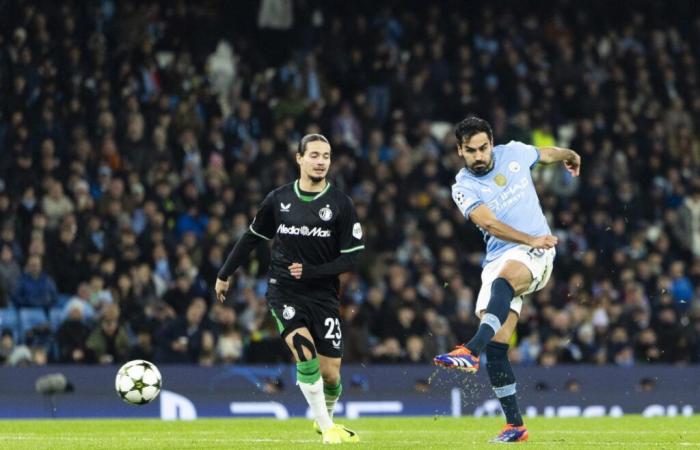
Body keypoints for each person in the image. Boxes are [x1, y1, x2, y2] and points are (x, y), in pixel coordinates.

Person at [433, 116, 581, 443]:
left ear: (492, 143)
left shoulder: (513, 152)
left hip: (537, 250)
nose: (479, 156)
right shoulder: (463, 186)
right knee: (498, 345)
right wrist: (527, 240)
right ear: (460, 151)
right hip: (501, 254)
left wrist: (569, 153)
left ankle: (469, 349)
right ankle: (515, 425)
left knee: (504, 284)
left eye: (483, 148)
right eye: (471, 151)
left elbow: (545, 153)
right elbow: (490, 224)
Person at [215, 134, 364, 444]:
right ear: (299, 159)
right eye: (314, 155)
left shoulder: (340, 204)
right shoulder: (279, 199)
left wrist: (313, 272)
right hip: (284, 291)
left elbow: (353, 257)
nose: (321, 161)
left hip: (324, 295)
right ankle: (326, 429)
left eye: (326, 155)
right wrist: (225, 272)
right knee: (305, 355)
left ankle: (326, 419)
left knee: (331, 375)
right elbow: (253, 237)